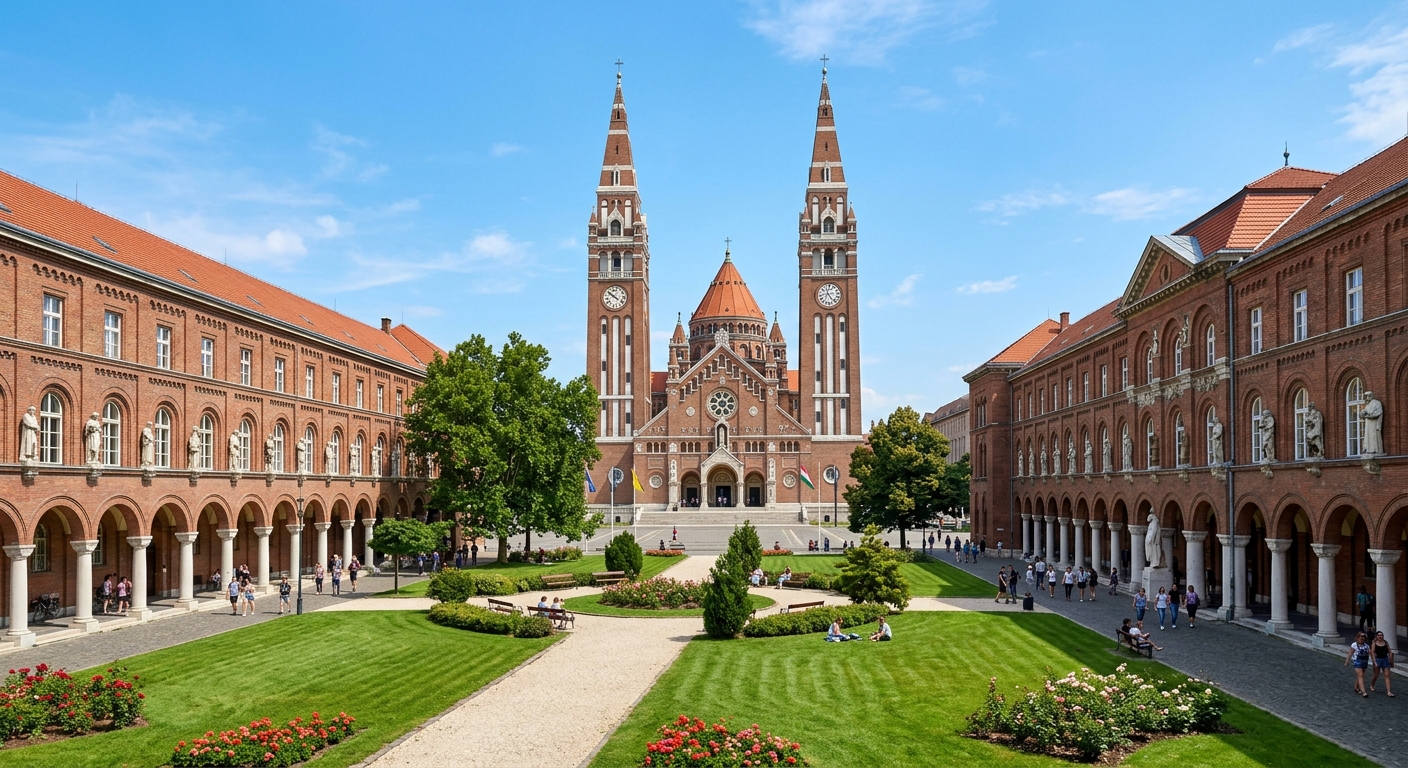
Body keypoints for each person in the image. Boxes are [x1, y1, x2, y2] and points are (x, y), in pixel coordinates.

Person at [1369, 630, 1395, 697]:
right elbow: (1372, 652)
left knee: (1387, 675)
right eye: (1379, 635)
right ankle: (1372, 684)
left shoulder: (1386, 642)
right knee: (1376, 674)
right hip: (1378, 659)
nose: (1380, 636)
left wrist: (1391, 660)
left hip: (1385, 660)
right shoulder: (1374, 643)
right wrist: (1374, 662)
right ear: (1376, 636)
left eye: (1381, 635)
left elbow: (1389, 651)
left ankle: (1389, 691)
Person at [1346, 631, 1372, 697]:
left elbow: (1370, 653)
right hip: (1357, 661)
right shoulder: (1354, 645)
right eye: (1360, 636)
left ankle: (1356, 687)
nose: (1362, 638)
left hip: (1364, 661)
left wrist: (1374, 660)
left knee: (1361, 675)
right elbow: (1350, 653)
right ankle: (1364, 692)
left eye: (1363, 637)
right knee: (1361, 675)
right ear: (1357, 637)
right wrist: (1347, 661)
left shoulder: (1366, 646)